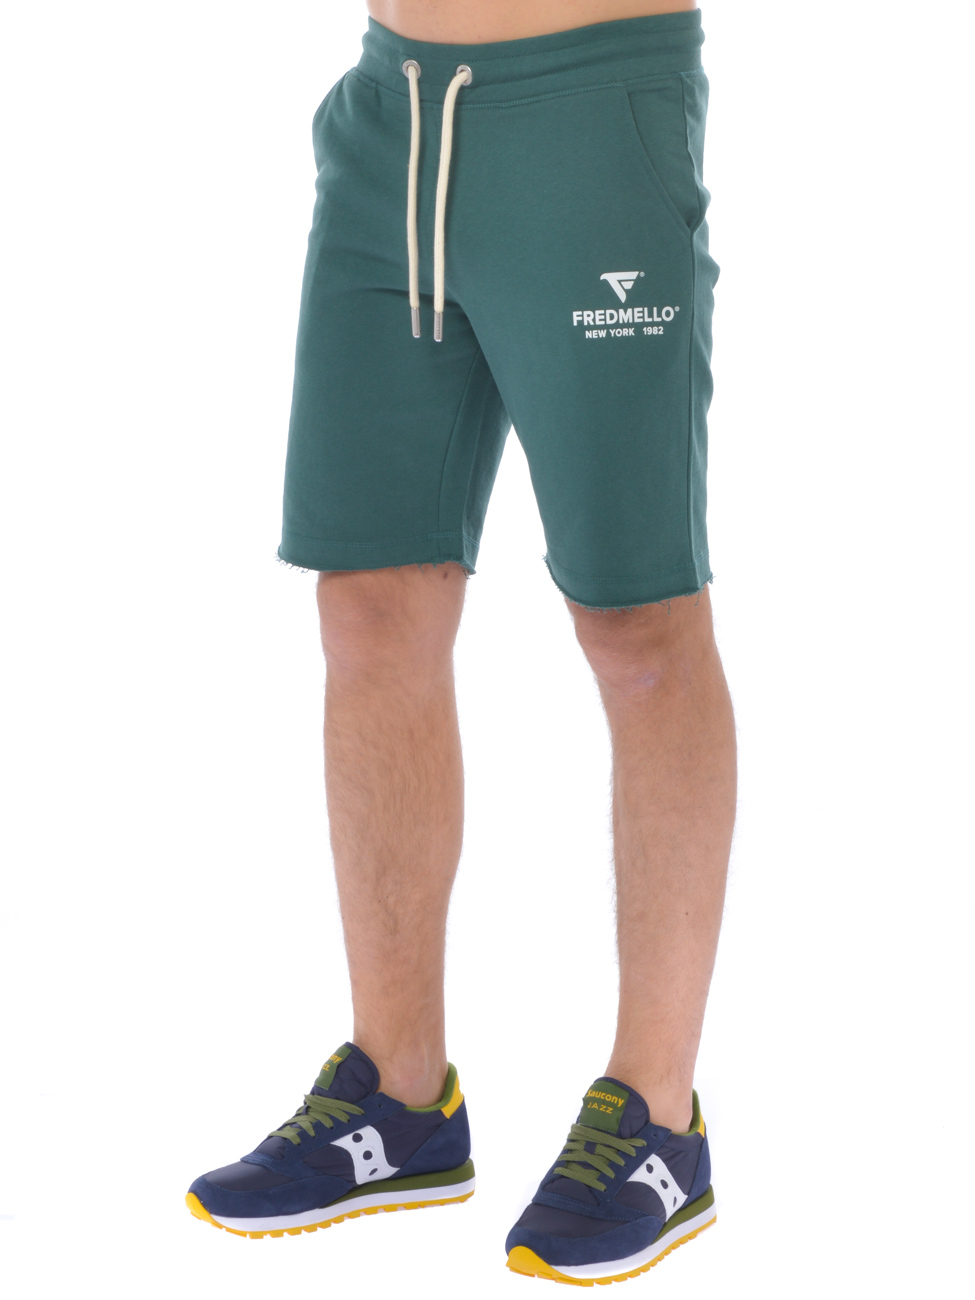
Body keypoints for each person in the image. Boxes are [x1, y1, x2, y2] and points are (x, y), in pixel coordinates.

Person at [186, 0, 735, 1284]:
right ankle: (400, 1099)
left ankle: (659, 1119)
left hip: (588, 117)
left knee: (637, 623)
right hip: (392, 122)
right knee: (368, 601)